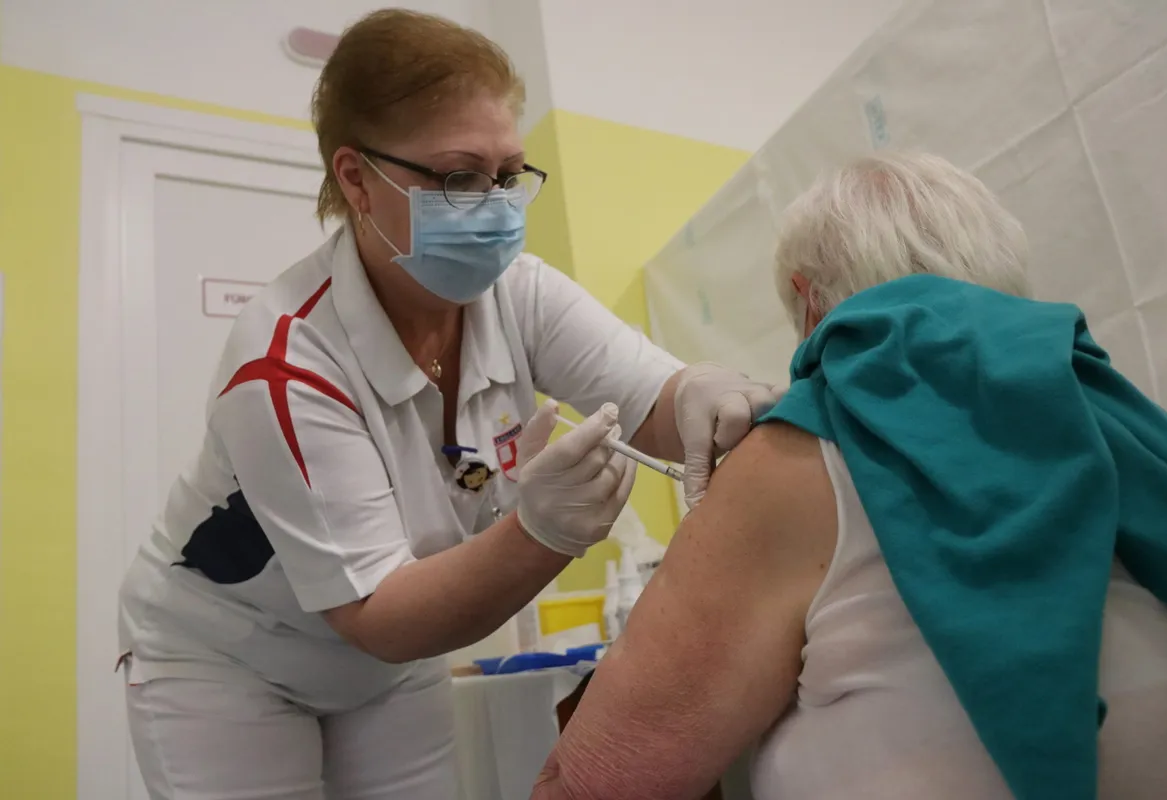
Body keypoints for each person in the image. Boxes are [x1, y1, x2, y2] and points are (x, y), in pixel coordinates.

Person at [116, 9, 778, 799]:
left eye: (509, 175)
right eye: (461, 177)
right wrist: (542, 533)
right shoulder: (286, 365)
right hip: (229, 658)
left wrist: (703, 393)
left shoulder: (518, 295)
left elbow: (653, 402)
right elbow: (379, 614)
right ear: (357, 178)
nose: (496, 206)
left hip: (390, 669)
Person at [532, 153, 1167, 800]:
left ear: (810, 302)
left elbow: (595, 782)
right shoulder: (1133, 426)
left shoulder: (801, 452)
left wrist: (530, 535)